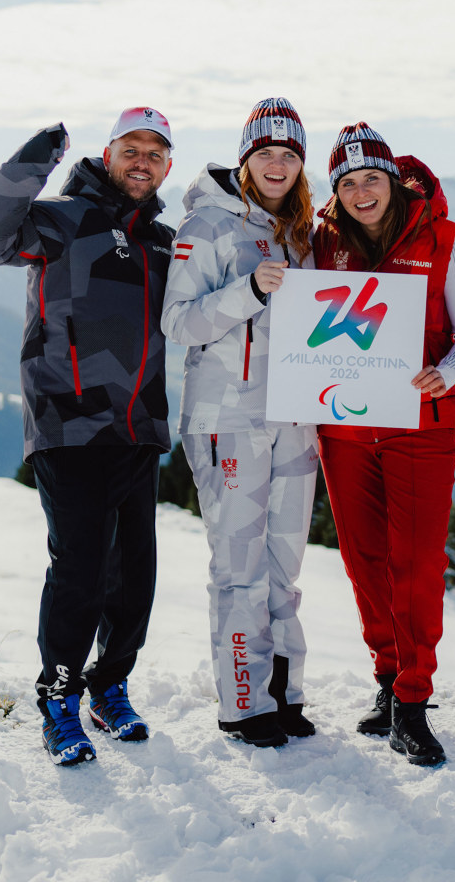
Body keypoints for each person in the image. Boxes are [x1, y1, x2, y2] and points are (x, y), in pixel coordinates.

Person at [0, 107, 176, 767]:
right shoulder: (58, 221)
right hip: (67, 422)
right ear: (108, 153)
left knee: (133, 576)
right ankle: (58, 696)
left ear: (167, 166)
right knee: (80, 568)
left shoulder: (165, 242)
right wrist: (36, 156)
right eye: (131, 148)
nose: (142, 161)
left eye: (156, 152)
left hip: (138, 426)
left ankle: (109, 687)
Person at [311, 122, 455, 766]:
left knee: (415, 565)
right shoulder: (322, 239)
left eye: (371, 179)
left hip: (422, 424)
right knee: (364, 562)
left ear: (393, 179)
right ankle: (387, 683)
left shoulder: (443, 239)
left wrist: (450, 370)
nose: (361, 192)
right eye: (348, 183)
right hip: (345, 428)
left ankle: (414, 703)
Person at [162, 98, 319, 749]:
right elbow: (178, 322)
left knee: (283, 565)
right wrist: (249, 290)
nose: (277, 164)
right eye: (266, 153)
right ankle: (242, 701)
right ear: (246, 158)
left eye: (289, 154)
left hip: (296, 420)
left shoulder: (303, 231)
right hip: (229, 419)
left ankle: (284, 693)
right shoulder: (207, 225)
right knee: (239, 566)